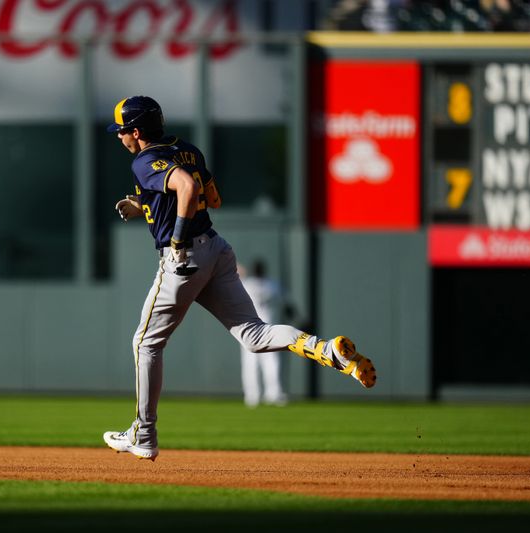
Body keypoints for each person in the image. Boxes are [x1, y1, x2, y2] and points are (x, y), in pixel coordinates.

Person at [102, 96, 376, 461]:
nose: (120, 137)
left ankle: (144, 433)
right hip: (216, 250)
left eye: (122, 130)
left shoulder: (142, 160)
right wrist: (145, 204)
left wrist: (179, 239)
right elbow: (212, 197)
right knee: (255, 335)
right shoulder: (188, 149)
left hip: (182, 256)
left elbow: (187, 188)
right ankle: (328, 351)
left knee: (145, 343)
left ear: (136, 131)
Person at [238, 259, 288, 408]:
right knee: (271, 363)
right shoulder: (272, 284)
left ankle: (253, 396)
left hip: (249, 330)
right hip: (268, 330)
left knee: (251, 364)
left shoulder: (247, 284)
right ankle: (273, 394)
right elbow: (287, 304)